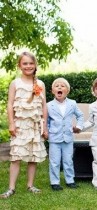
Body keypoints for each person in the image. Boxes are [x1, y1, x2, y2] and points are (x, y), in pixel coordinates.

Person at [0, 52, 48, 198]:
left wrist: (44, 126)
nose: (28, 66)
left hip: (35, 125)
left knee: (33, 156)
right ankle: (11, 188)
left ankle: (30, 185)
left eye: (31, 63)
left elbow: (44, 106)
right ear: (19, 65)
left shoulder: (40, 84)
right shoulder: (16, 83)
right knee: (16, 156)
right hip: (20, 125)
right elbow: (9, 104)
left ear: (35, 65)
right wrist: (11, 123)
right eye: (25, 63)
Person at [47, 78, 84, 191]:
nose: (59, 87)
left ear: (67, 91)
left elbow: (80, 116)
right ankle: (55, 182)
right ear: (53, 90)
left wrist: (79, 126)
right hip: (54, 138)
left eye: (62, 86)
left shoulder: (72, 103)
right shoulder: (48, 105)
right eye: (56, 86)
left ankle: (70, 180)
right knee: (54, 161)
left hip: (68, 137)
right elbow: (46, 121)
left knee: (68, 160)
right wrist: (47, 132)